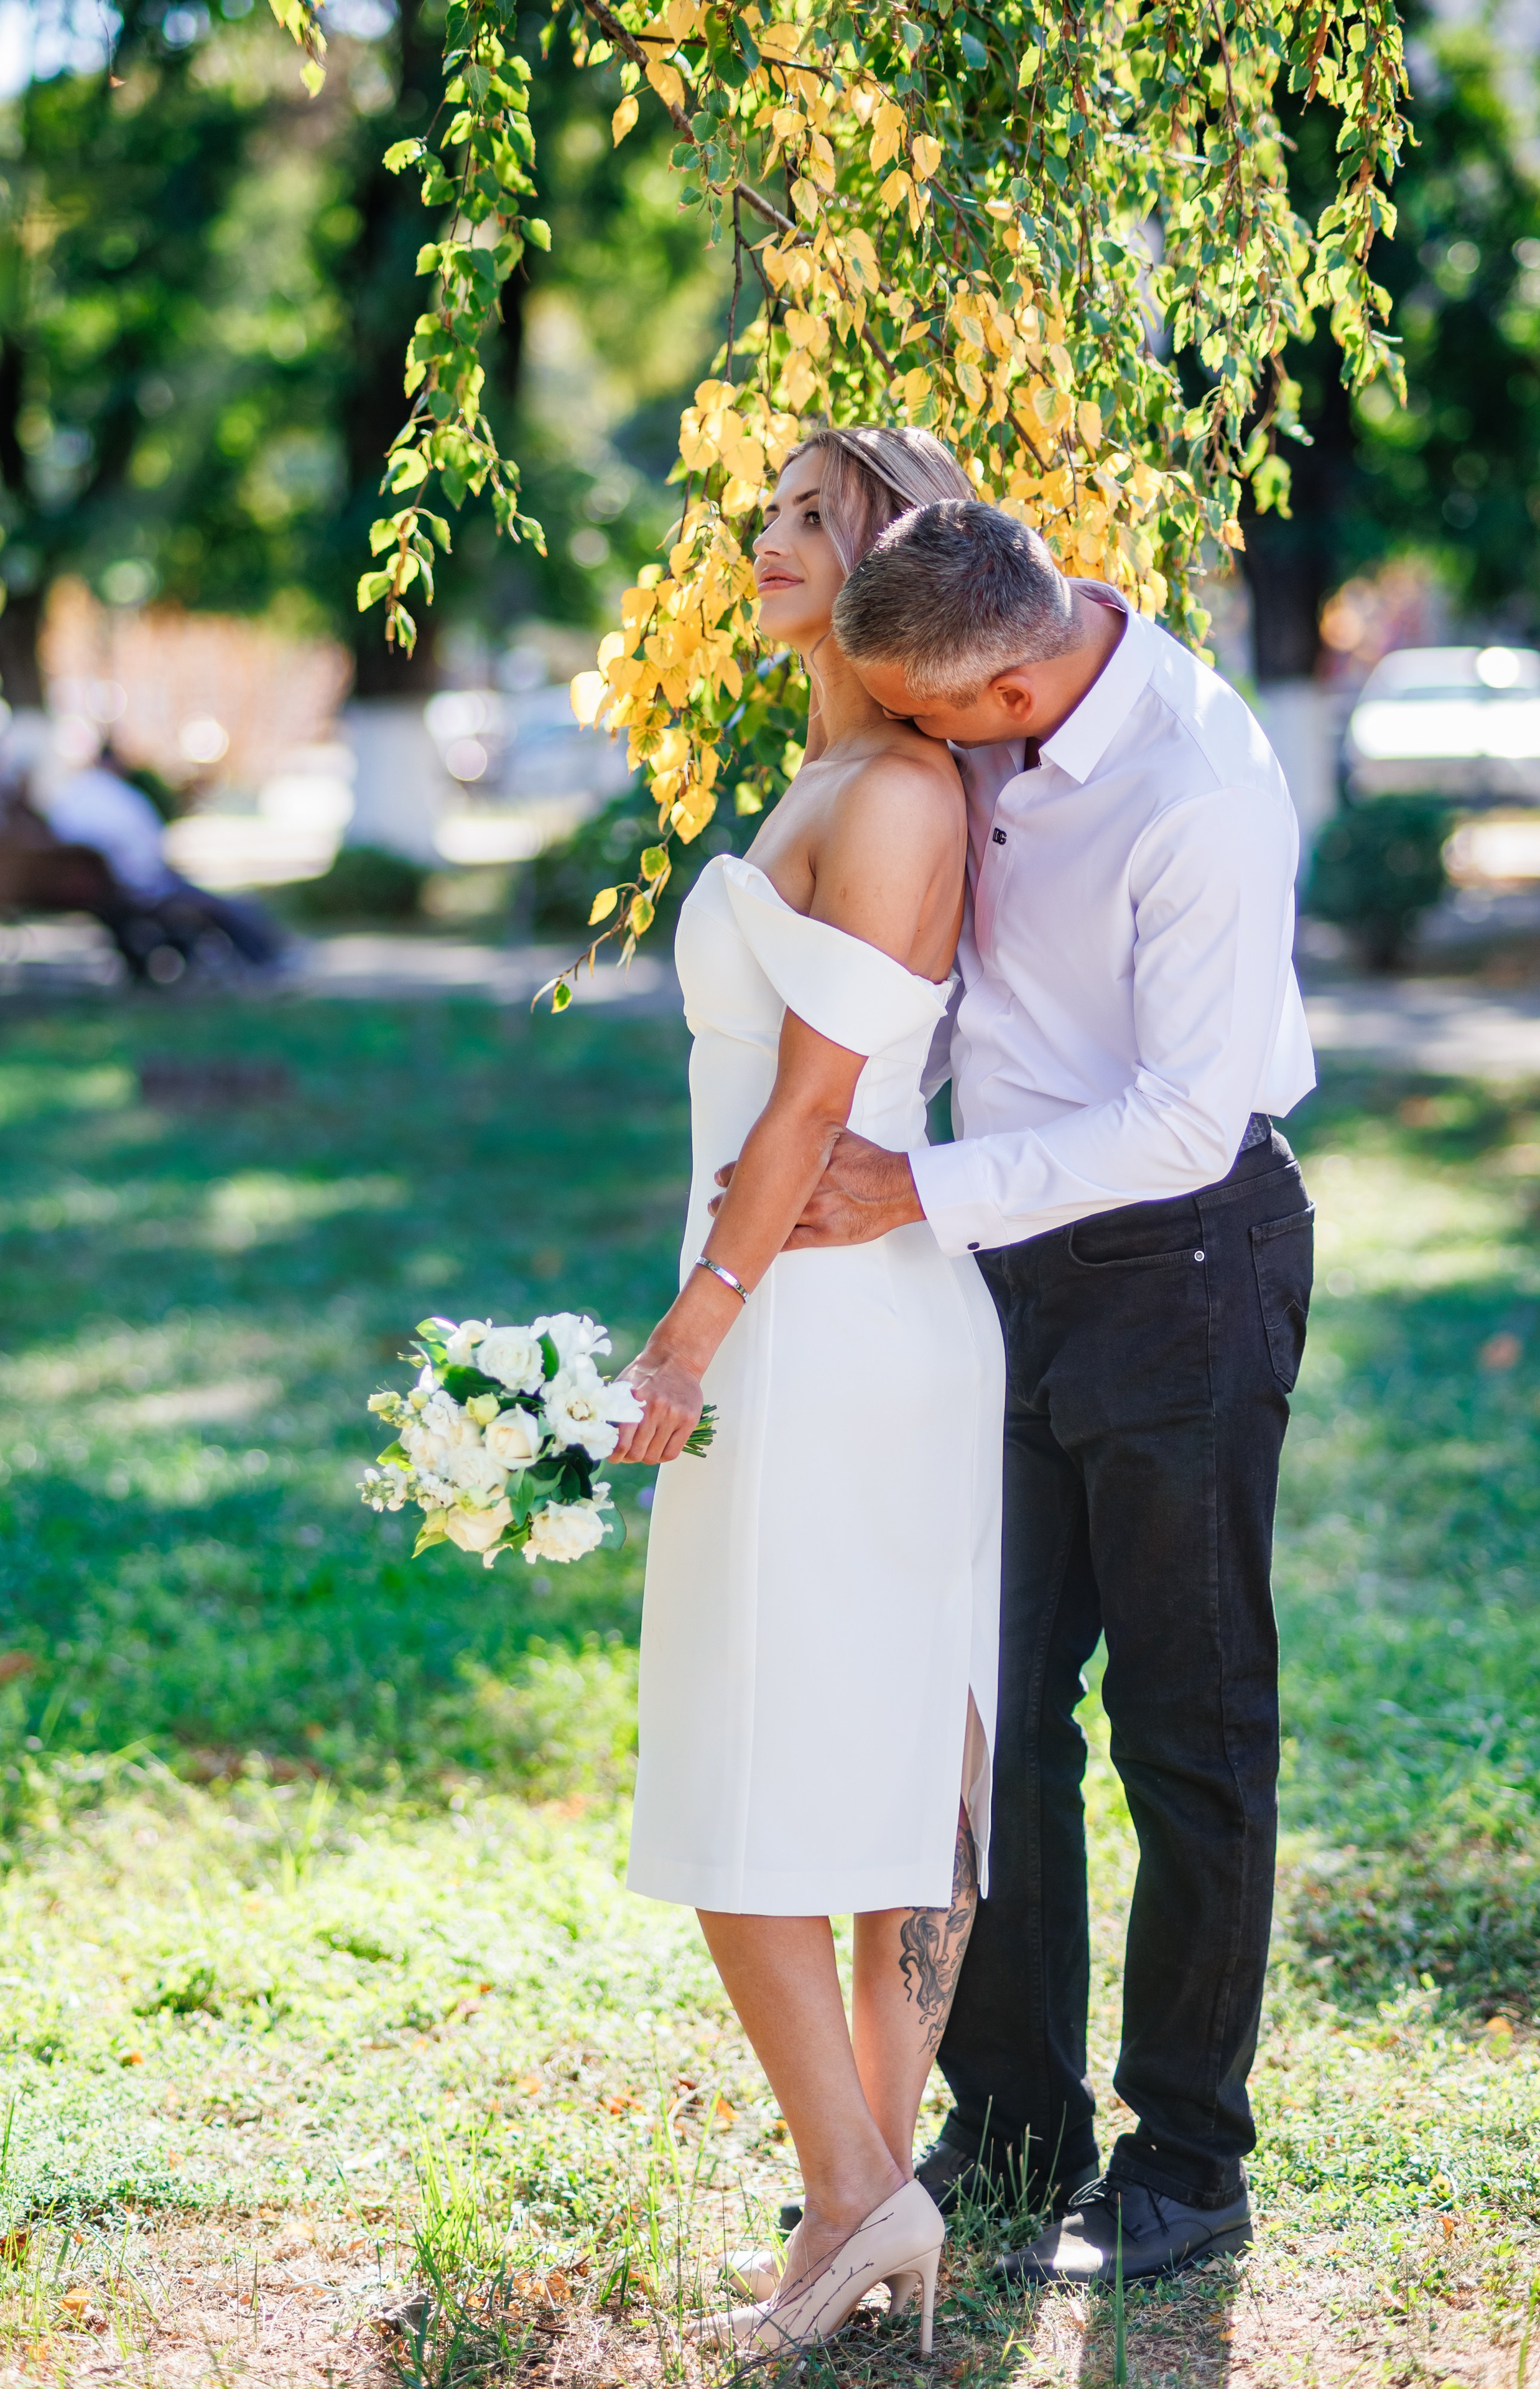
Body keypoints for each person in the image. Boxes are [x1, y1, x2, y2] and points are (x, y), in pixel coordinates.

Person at [755, 497, 1316, 2286]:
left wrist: (909, 1191)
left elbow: (1182, 1119)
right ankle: (1008, 2120)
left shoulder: (1199, 796)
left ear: (1015, 674)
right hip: (997, 1273)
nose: (937, 761)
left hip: (1183, 1266)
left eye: (950, 725)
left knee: (1187, 1720)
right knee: (986, 1719)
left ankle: (1187, 2160)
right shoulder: (985, 682)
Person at [612, 426, 1005, 2357]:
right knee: (805, 1756)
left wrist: (695, 1320)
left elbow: (809, 1104)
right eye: (762, 511)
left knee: (770, 1765)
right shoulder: (825, 776)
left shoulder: (902, 796)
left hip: (829, 1324)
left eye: (810, 519)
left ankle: (862, 2191)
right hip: (789, 1297)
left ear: (891, 566)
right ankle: (856, 2198)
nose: (765, 542)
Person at [39, 749, 283, 981]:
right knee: (230, 909)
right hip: (142, 887)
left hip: (125, 885)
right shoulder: (110, 795)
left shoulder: (75, 796)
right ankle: (268, 965)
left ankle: (267, 960)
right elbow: (147, 848)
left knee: (226, 906)